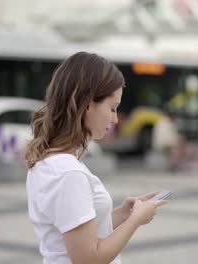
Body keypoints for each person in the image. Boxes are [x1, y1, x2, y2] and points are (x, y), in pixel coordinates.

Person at [25, 52, 167, 264]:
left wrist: (123, 214)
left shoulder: (51, 161)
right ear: (87, 104)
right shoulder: (68, 173)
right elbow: (89, 258)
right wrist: (136, 220)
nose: (116, 118)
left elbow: (76, 231)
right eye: (112, 108)